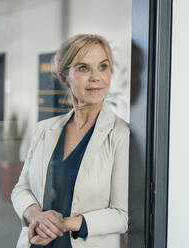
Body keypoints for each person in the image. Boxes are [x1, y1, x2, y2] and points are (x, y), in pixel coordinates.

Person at [11, 34, 129, 248]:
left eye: (103, 66)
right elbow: (21, 189)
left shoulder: (120, 135)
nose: (96, 77)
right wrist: (35, 214)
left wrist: (65, 224)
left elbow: (121, 215)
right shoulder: (44, 130)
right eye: (83, 68)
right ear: (64, 76)